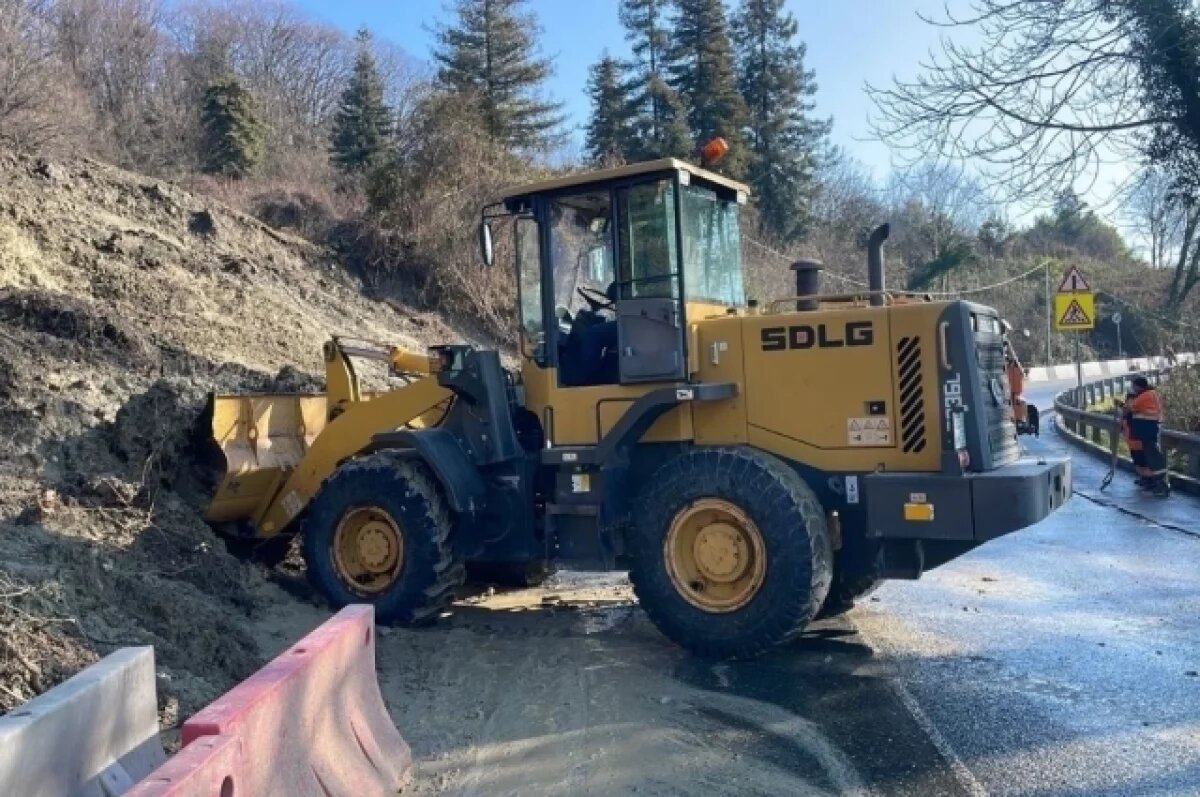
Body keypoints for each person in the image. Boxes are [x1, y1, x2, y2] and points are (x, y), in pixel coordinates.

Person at [1122, 376, 1170, 497]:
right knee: (1148, 455)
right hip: (1147, 429)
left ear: (1138, 386)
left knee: (1151, 456)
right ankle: (1153, 482)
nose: (1132, 388)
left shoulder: (1145, 396)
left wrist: (1126, 402)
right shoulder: (1150, 394)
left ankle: (1159, 484)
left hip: (1147, 429)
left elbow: (1131, 408)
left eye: (1133, 385)